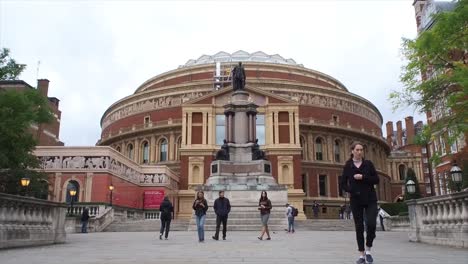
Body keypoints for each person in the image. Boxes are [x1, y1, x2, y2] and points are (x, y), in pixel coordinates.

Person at [340, 141, 379, 264]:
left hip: (370, 198)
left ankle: (368, 249)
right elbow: (342, 184)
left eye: (361, 150)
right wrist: (351, 190)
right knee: (359, 227)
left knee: (372, 224)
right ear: (352, 151)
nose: (359, 152)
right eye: (357, 150)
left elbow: (376, 179)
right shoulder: (348, 166)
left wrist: (363, 177)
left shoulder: (368, 164)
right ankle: (362, 254)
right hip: (356, 199)